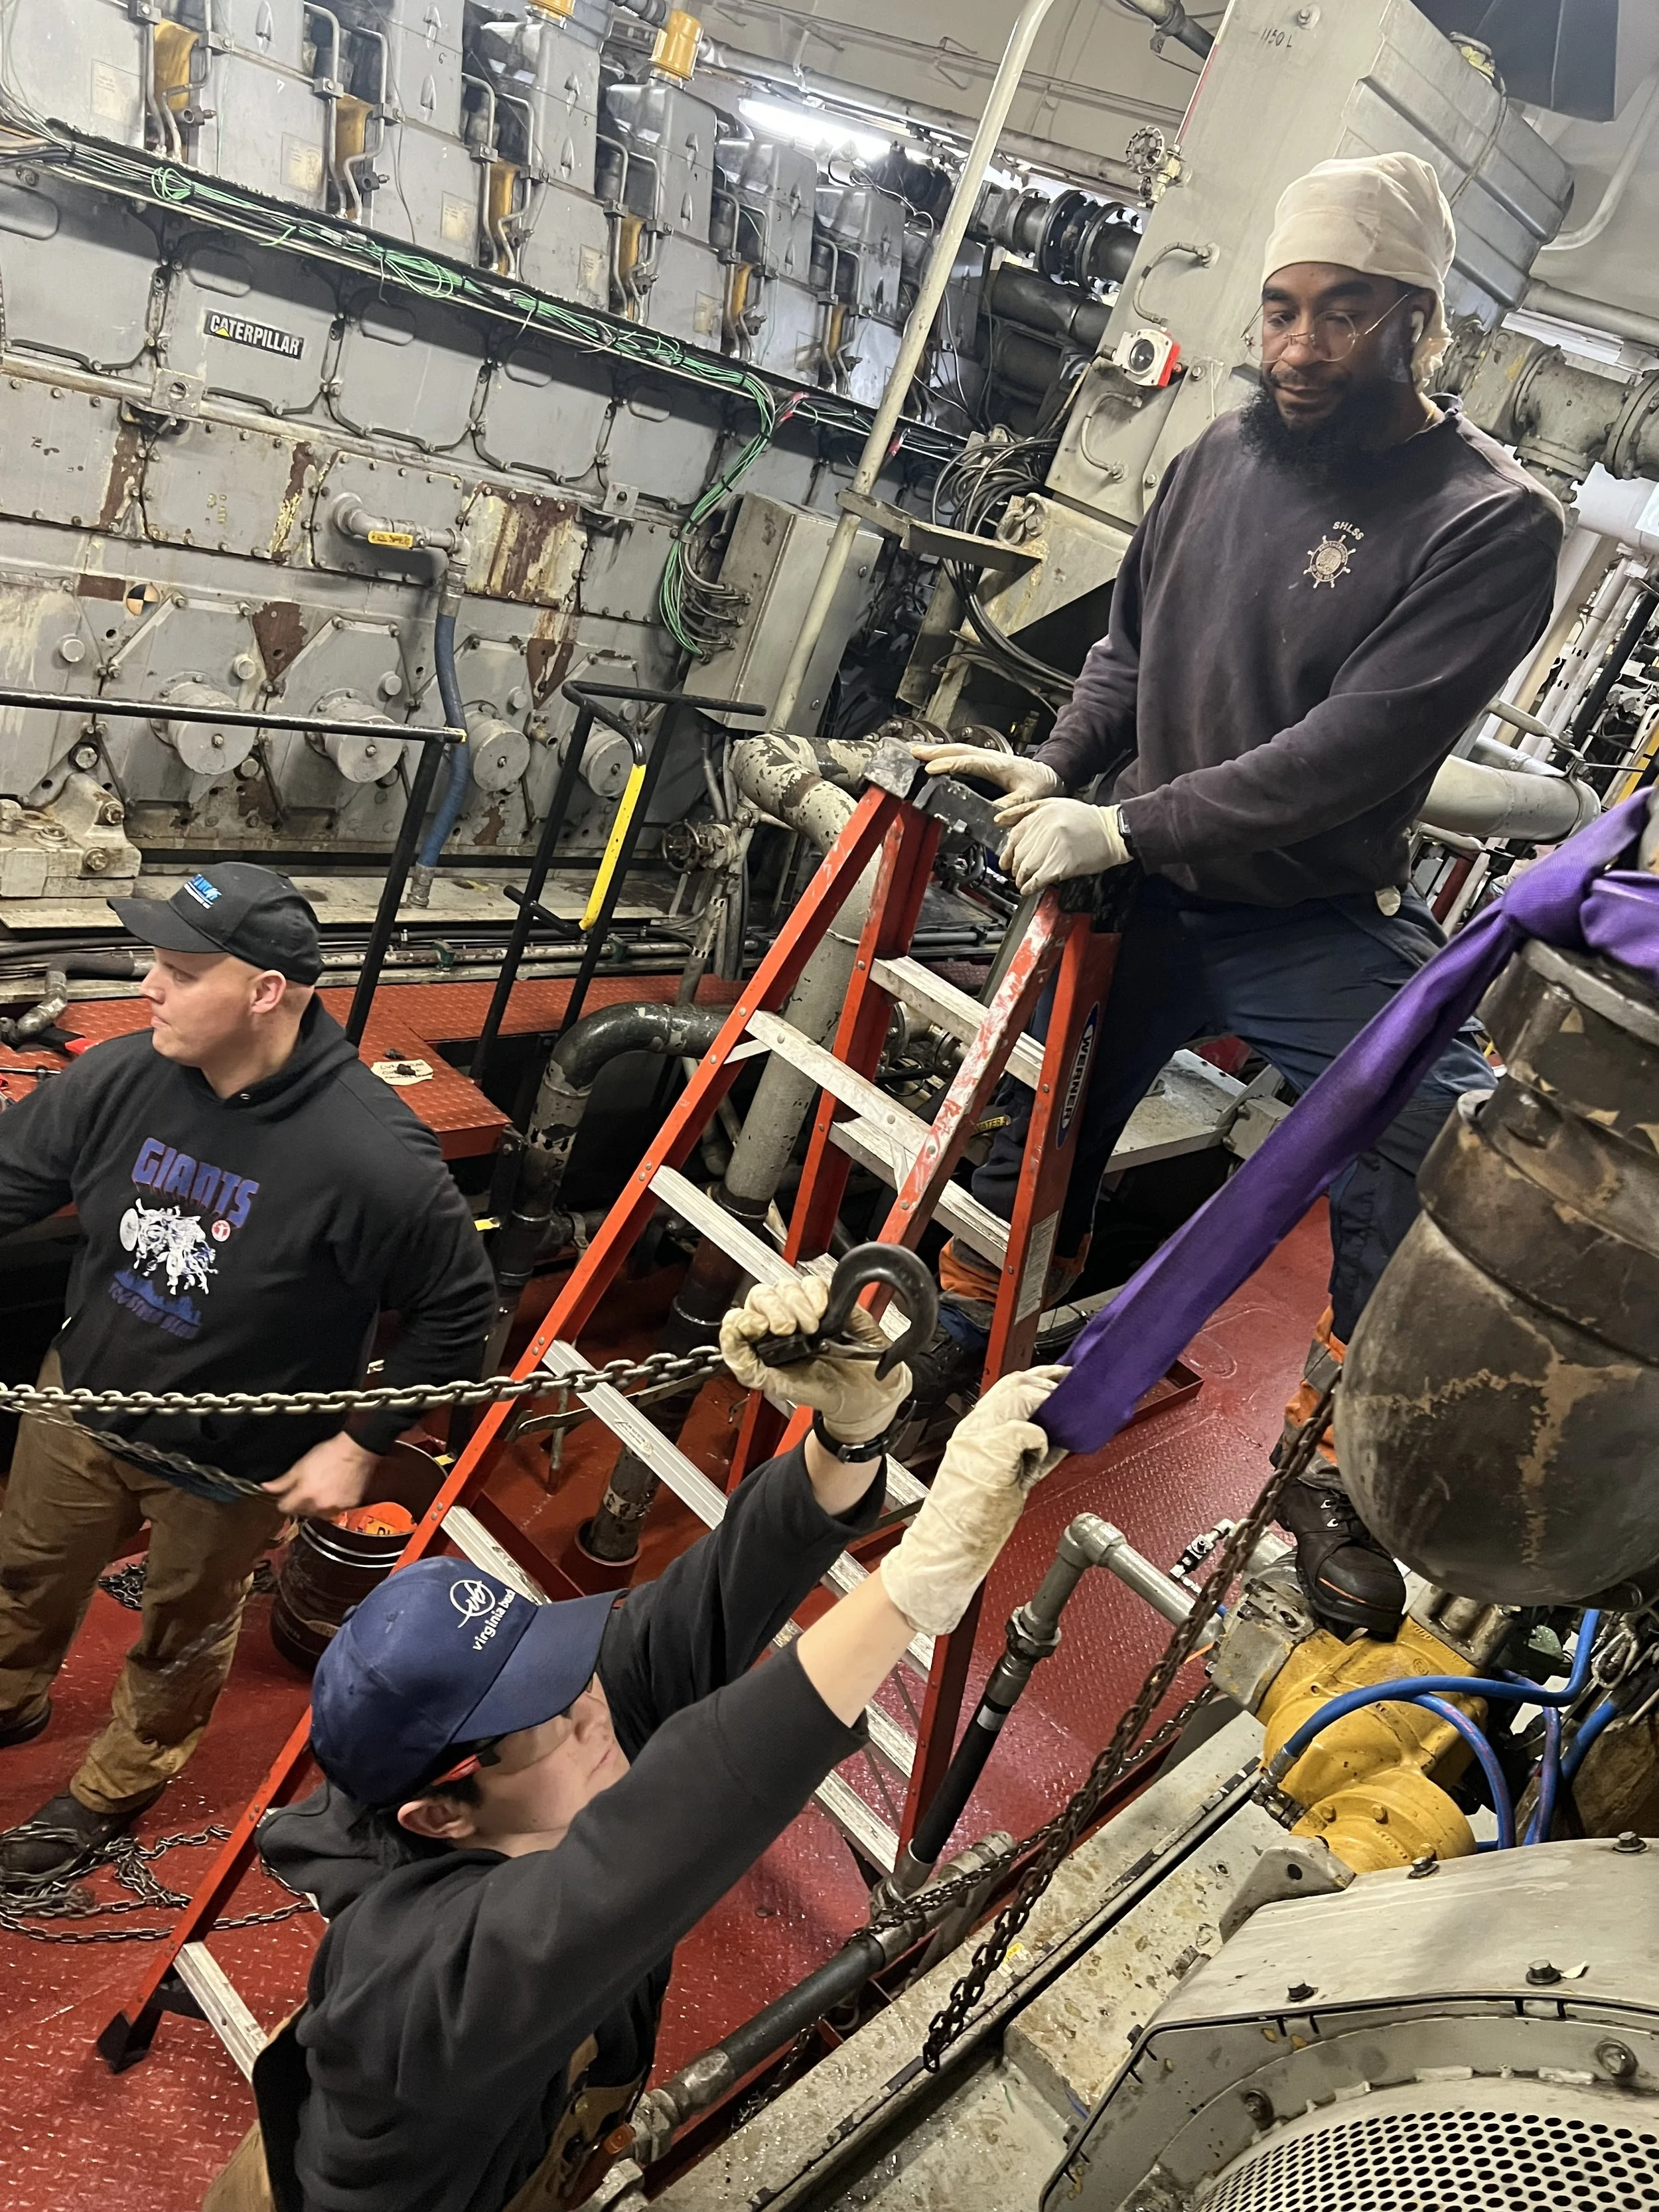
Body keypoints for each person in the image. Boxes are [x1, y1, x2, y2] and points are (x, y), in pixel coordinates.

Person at [910, 153, 1565, 1639]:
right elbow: (1129, 651)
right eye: (1277, 310)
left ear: (1420, 321)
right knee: (1044, 1112)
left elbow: (1350, 756)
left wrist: (1120, 823)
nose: (1295, 347)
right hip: (1148, 888)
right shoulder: (1217, 452)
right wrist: (1055, 772)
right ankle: (967, 1333)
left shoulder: (1486, 522)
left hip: (1297, 912)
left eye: (1340, 313)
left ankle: (1331, 1459)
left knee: (1426, 1134)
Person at [200, 1273, 1065, 2212]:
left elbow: (707, 1601)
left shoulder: (563, 1733)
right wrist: (911, 1589)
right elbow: (654, 1837)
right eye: (547, 1716)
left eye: (556, 1674)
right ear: (438, 1813)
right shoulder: (422, 1988)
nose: (591, 1707)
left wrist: (849, 1440)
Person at [0, 863, 495, 1883]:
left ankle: (114, 1788)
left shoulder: (374, 1159)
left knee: (180, 1633)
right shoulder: (121, 1077)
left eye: (180, 973)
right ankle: (12, 1693)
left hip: (229, 1462)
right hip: (80, 1400)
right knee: (26, 1570)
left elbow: (458, 1313)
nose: (147, 990)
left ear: (265, 991)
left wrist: (360, 1445)